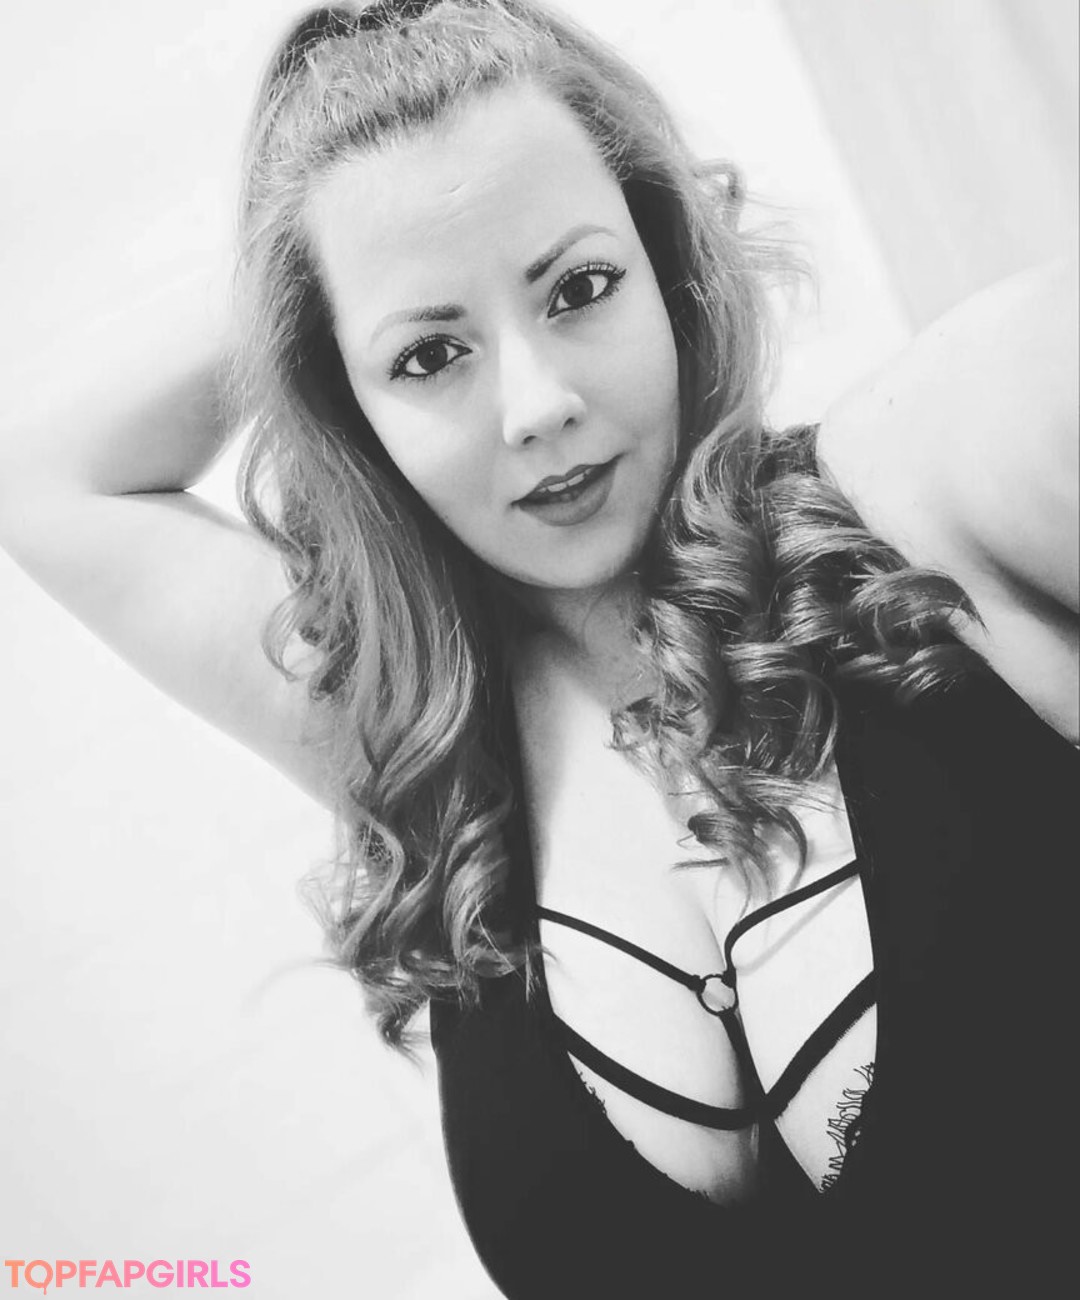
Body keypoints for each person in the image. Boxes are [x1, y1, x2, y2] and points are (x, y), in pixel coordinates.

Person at [0, 1, 1075, 1296]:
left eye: (580, 287)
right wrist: (332, 236)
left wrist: (424, 231)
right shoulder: (410, 733)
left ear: (665, 261)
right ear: (344, 395)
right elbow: (44, 480)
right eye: (429, 353)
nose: (538, 404)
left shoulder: (914, 503)